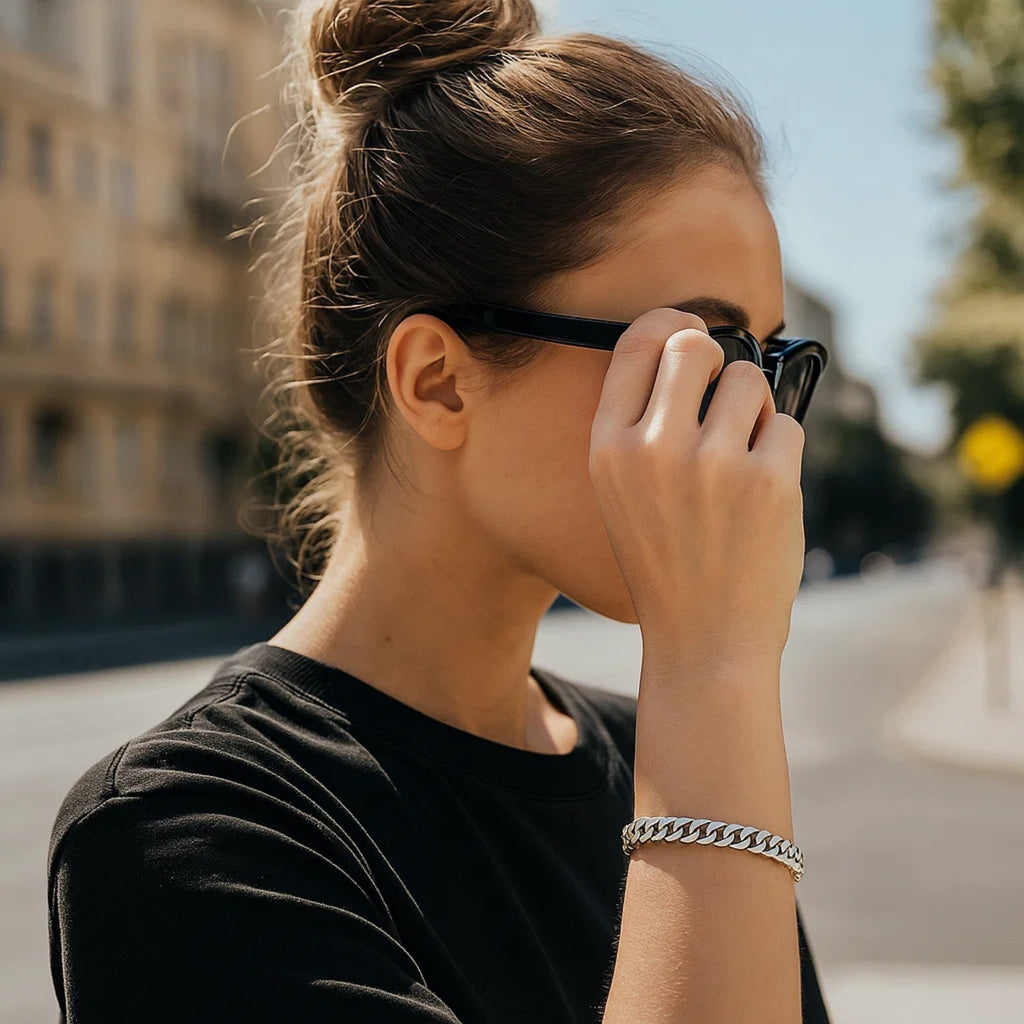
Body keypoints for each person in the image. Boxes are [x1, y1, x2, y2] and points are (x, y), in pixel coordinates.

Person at [46, 0, 832, 1020]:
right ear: (438, 383)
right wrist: (714, 659)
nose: (757, 419)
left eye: (776, 363)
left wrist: (706, 695)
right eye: (709, 354)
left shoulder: (671, 749)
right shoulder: (188, 831)